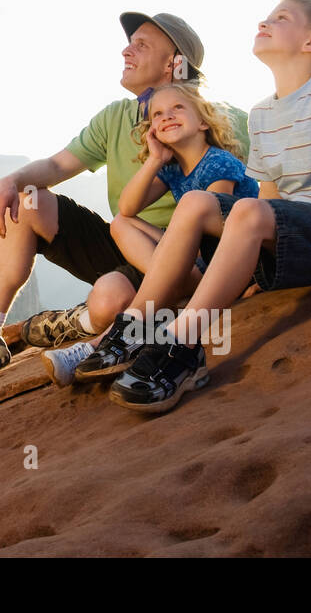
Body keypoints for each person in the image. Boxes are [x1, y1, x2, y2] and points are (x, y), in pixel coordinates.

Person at [0, 11, 251, 395]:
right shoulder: (115, 117)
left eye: (142, 45)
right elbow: (59, 165)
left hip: (185, 252)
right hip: (128, 242)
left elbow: (262, 193)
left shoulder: (225, 120)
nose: (127, 50)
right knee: (26, 202)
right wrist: (11, 180)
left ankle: (89, 321)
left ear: (175, 64)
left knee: (110, 298)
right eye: (130, 42)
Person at [101, 0, 311, 413]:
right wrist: (256, 260)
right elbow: (271, 196)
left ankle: (183, 348)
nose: (266, 20)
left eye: (281, 18)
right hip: (297, 237)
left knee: (243, 209)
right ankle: (135, 324)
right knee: (196, 203)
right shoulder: (262, 114)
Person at [40, 82, 259, 386]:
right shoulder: (173, 170)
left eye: (178, 108)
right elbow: (127, 208)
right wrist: (155, 159)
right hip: (193, 265)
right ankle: (153, 306)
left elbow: (219, 232)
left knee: (175, 238)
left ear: (203, 122)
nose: (166, 116)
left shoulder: (218, 163)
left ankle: (103, 343)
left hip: (224, 265)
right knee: (120, 224)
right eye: (157, 114)